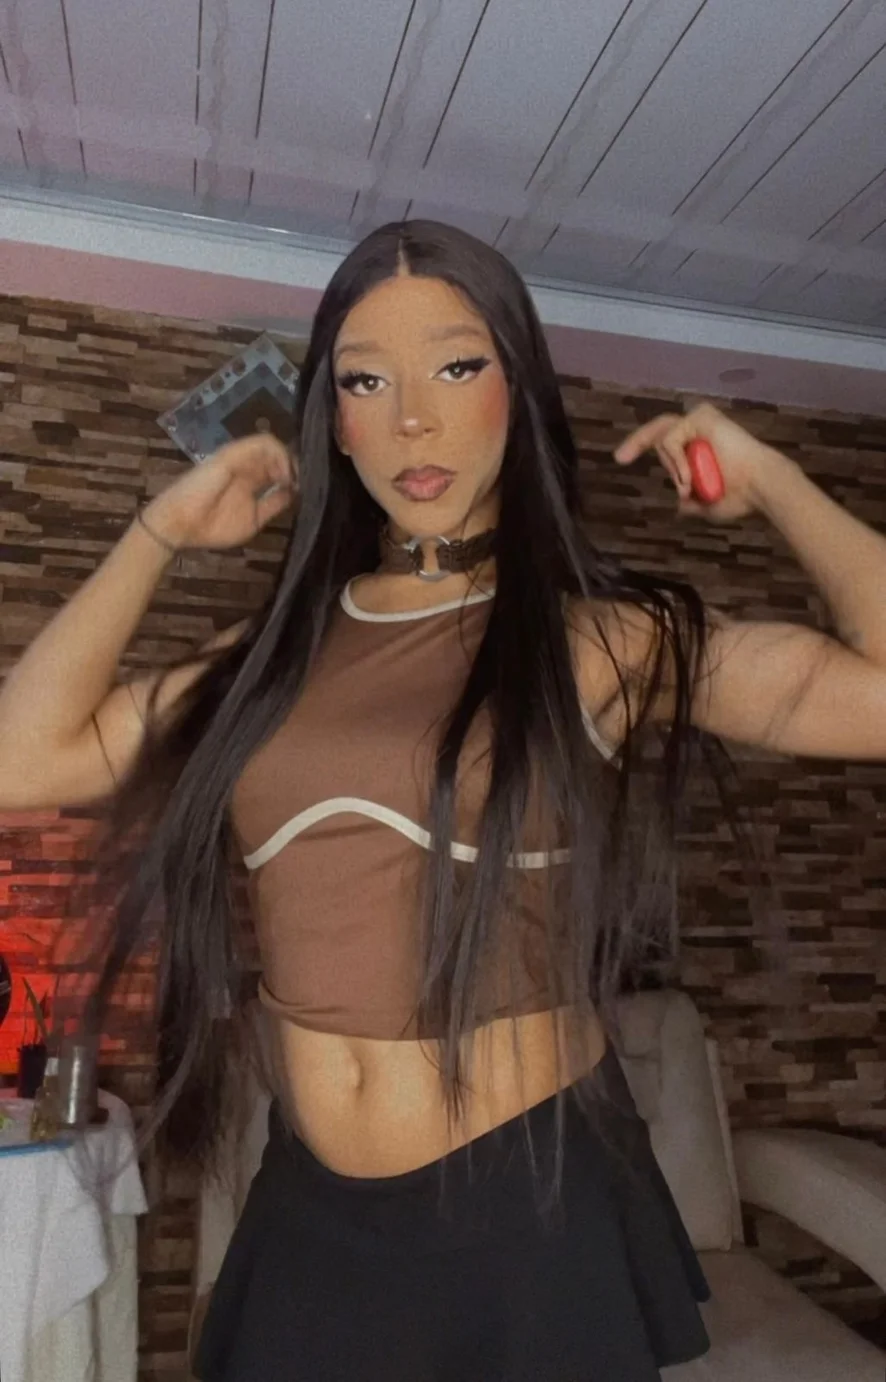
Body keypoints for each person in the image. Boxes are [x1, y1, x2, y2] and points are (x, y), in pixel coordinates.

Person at [1, 220, 885, 1382]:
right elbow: (23, 761)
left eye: (457, 367)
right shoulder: (271, 656)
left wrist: (771, 478)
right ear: (334, 422)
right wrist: (159, 531)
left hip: (526, 1201)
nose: (412, 418)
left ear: (517, 392)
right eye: (366, 380)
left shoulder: (597, 641)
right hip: (309, 1198)